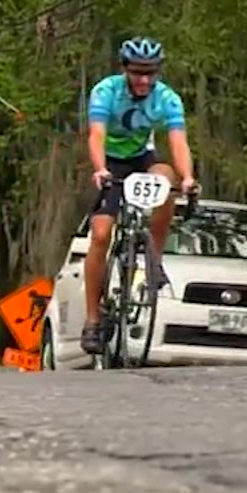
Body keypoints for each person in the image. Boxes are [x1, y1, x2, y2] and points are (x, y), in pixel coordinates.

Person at [81, 36, 198, 355]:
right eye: (137, 73)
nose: (144, 80)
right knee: (101, 235)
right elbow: (97, 134)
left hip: (142, 158)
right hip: (110, 163)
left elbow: (178, 141)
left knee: (167, 179)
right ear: (125, 70)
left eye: (151, 73)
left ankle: (154, 259)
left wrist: (188, 178)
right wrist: (100, 168)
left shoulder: (167, 98)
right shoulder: (106, 91)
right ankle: (92, 319)